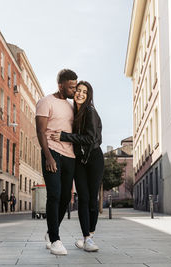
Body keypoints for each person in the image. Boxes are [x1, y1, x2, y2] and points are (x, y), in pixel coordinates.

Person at [51, 81, 103, 252]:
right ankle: (87, 238)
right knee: (84, 198)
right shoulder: (75, 113)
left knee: (92, 201)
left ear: (89, 96)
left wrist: (65, 136)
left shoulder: (90, 112)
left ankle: (90, 235)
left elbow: (91, 139)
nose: (80, 94)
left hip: (94, 159)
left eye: (84, 92)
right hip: (79, 160)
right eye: (78, 91)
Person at [35, 69, 77, 255]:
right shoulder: (45, 102)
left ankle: (51, 231)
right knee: (54, 194)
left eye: (75, 86)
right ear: (60, 85)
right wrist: (48, 156)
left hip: (70, 156)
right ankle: (55, 239)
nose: (74, 90)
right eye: (71, 87)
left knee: (66, 198)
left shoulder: (72, 106)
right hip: (52, 152)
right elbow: (40, 131)